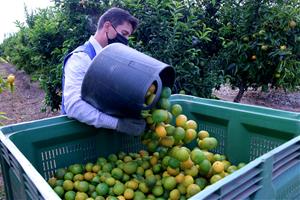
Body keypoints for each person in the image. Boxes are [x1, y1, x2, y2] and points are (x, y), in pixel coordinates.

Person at [62, 7, 146, 136]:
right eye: (123, 34)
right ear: (107, 26)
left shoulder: (113, 60)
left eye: (128, 36)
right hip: (78, 135)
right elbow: (74, 106)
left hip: (102, 136)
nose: (125, 41)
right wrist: (117, 124)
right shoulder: (81, 58)